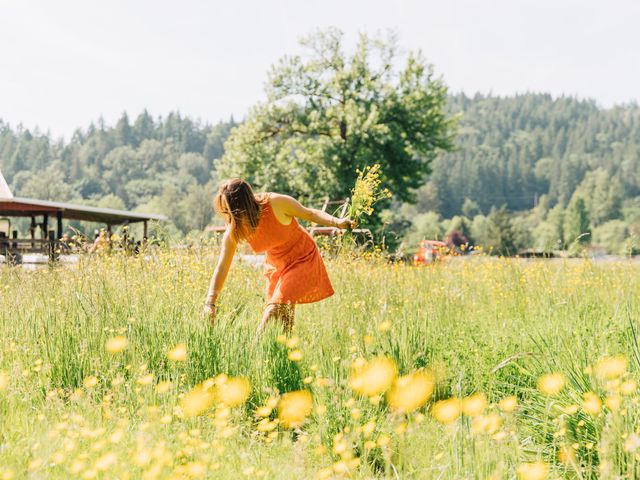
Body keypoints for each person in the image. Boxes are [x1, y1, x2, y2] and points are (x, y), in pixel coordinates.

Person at [205, 179, 354, 335]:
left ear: (244, 206)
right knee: (285, 321)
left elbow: (309, 213)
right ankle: (287, 356)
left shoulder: (276, 203)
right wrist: (210, 303)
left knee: (273, 310)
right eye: (226, 212)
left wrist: (337, 222)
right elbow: (222, 266)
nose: (229, 218)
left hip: (302, 257)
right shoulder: (234, 230)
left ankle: (252, 352)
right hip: (277, 267)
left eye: (231, 211)